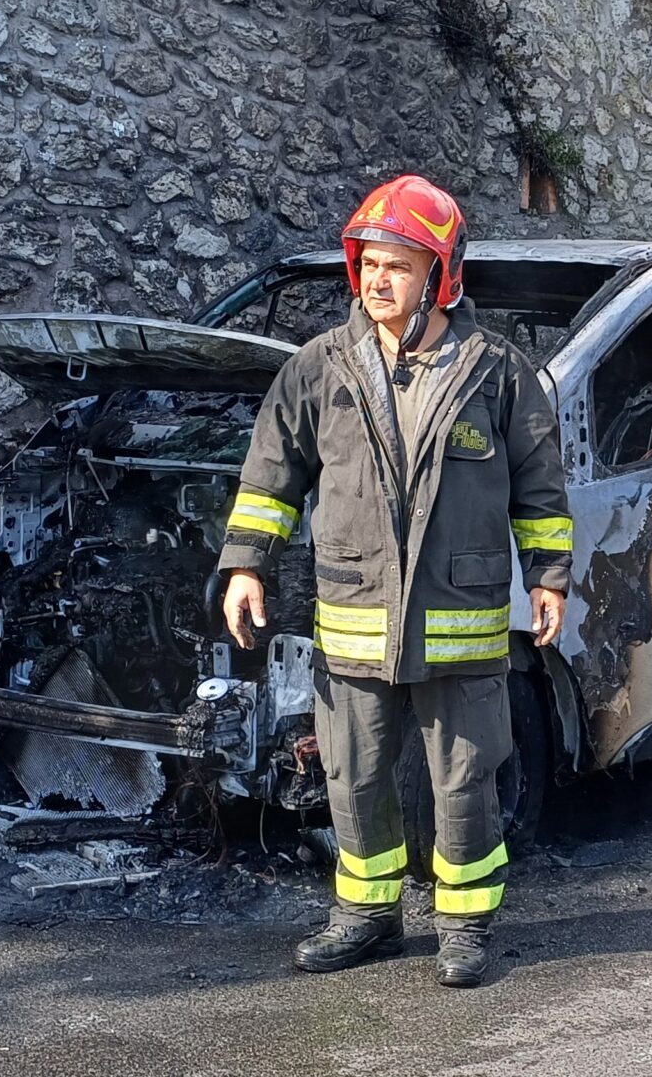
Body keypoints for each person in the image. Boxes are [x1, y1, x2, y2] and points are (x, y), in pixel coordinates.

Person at [216, 174, 573, 987]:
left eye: (400, 266)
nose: (378, 280)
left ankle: (465, 925)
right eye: (370, 263)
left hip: (461, 619)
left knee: (464, 777)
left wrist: (549, 576)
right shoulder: (318, 369)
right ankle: (366, 916)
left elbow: (541, 489)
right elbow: (271, 478)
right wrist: (246, 565)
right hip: (353, 616)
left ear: (440, 276)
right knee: (354, 772)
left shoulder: (499, 374)